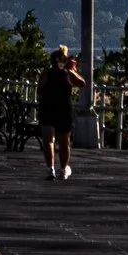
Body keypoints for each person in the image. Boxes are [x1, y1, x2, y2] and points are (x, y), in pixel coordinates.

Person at [37, 44, 85, 181]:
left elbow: (39, 90)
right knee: (64, 142)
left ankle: (50, 169)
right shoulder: (67, 74)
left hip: (47, 107)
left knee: (48, 140)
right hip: (64, 108)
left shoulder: (46, 73)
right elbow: (83, 83)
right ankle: (63, 169)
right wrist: (72, 70)